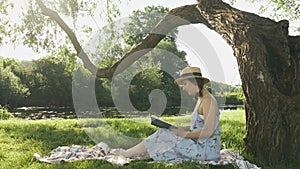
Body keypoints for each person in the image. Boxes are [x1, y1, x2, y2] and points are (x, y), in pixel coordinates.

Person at [115, 66, 221, 163]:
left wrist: (184, 134)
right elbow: (200, 125)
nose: (183, 88)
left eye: (185, 84)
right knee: (166, 133)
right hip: (201, 144)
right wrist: (182, 128)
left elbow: (208, 132)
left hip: (206, 150)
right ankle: (132, 153)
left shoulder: (208, 101)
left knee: (164, 134)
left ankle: (127, 154)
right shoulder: (201, 98)